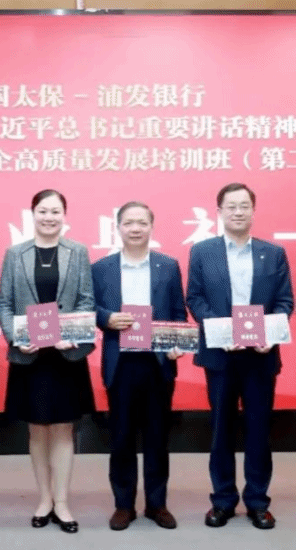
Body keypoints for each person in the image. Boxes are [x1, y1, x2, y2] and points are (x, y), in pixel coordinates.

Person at [186, 182, 293, 530]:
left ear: (253, 211)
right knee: (221, 430)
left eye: (244, 205)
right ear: (219, 212)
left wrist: (270, 335)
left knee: (259, 430)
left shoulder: (273, 253)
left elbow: (284, 302)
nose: (238, 211)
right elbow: (195, 298)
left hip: (260, 356)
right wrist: (220, 330)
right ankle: (223, 501)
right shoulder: (202, 251)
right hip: (220, 356)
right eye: (231, 206)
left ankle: (258, 502)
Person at [0, 189, 96, 534]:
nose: (49, 217)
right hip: (30, 356)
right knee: (37, 429)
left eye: (55, 211)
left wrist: (72, 332)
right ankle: (44, 500)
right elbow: (4, 303)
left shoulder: (77, 252)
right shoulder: (15, 254)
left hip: (66, 354)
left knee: (64, 429)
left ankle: (63, 502)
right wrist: (16, 337)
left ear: (64, 215)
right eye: (43, 211)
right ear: (33, 214)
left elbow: (86, 300)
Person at [92, 201, 187, 531]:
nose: (135, 228)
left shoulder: (168, 266)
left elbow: (178, 313)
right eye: (129, 223)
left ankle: (157, 504)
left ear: (151, 227)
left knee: (158, 438)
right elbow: (89, 308)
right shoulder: (101, 268)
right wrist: (107, 318)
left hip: (157, 362)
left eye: (142, 223)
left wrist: (177, 342)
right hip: (120, 363)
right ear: (118, 228)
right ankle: (123, 505)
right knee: (121, 437)